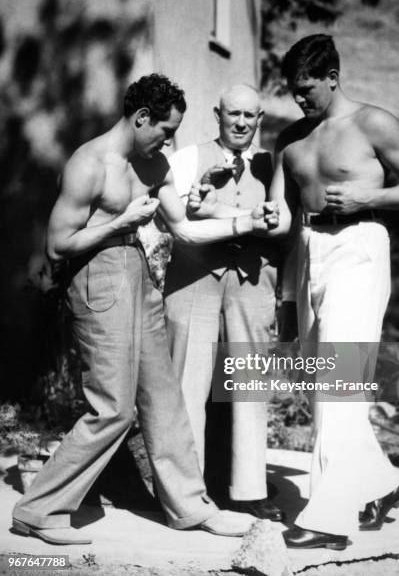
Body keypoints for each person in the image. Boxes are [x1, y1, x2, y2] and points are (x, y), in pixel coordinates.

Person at [12, 74, 279, 545]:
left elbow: (187, 230)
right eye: (164, 130)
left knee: (165, 395)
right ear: (141, 118)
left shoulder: (152, 164)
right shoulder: (89, 164)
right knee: (113, 407)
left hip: (138, 273)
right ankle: (38, 510)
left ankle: (191, 507)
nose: (169, 140)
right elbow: (57, 247)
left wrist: (244, 218)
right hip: (97, 275)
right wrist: (122, 220)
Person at [267, 35, 399, 549]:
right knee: (324, 384)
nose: (300, 99)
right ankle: (383, 487)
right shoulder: (291, 140)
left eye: (307, 89)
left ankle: (328, 518)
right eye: (293, 91)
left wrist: (374, 194)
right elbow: (282, 218)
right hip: (308, 252)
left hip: (360, 247)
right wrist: (286, 299)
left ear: (332, 77)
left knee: (336, 386)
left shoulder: (373, 123)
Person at [163, 84, 283, 522]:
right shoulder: (187, 159)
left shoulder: (273, 165)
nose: (240, 123)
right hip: (194, 278)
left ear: (259, 119)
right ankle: (187, 493)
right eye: (233, 114)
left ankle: (249, 490)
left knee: (249, 386)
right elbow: (170, 219)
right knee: (188, 382)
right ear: (217, 114)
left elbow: (285, 224)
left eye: (250, 116)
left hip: (253, 281)